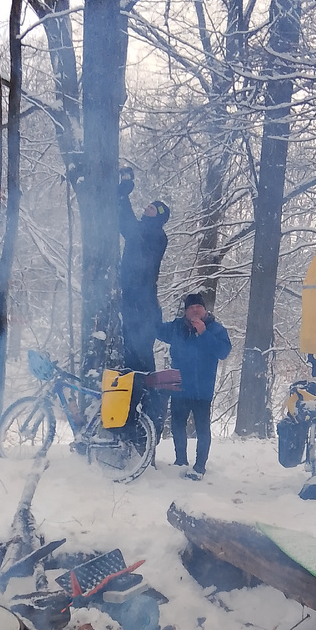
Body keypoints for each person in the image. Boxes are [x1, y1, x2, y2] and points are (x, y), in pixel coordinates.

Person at [157, 294, 231, 479]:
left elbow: (223, 352)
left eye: (199, 306)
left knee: (203, 430)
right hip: (180, 388)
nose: (195, 310)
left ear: (205, 310)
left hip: (202, 390)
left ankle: (200, 467)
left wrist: (204, 334)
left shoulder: (215, 329)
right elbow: (155, 329)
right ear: (186, 311)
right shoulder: (177, 327)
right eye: (191, 307)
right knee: (177, 426)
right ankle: (180, 461)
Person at [118, 168, 169, 374]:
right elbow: (127, 226)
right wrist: (122, 196)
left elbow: (130, 230)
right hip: (136, 298)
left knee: (139, 351)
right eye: (148, 205)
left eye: (153, 208)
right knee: (130, 349)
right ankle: (137, 394)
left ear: (159, 217)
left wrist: (123, 195)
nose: (147, 207)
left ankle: (146, 397)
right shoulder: (145, 230)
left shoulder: (157, 235)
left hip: (142, 302)